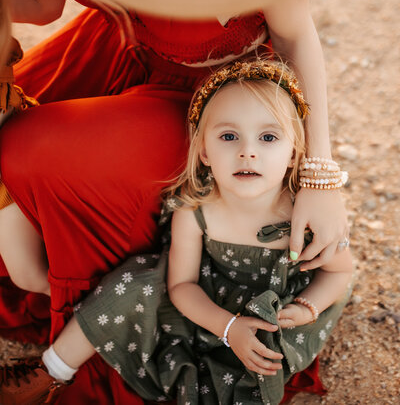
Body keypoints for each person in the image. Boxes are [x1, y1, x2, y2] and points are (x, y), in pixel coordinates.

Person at [0, 0, 358, 403]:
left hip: (218, 98)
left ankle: (88, 335)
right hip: (121, 51)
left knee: (25, 146)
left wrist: (319, 175)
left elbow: (296, 36)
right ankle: (68, 301)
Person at [0, 59, 353, 405]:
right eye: (229, 136)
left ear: (294, 153)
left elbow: (340, 272)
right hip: (202, 311)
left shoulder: (305, 215)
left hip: (272, 323)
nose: (248, 152)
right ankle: (54, 369)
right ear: (203, 152)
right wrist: (227, 327)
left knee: (254, 371)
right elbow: (181, 286)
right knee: (131, 284)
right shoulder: (196, 209)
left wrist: (309, 307)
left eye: (268, 137)